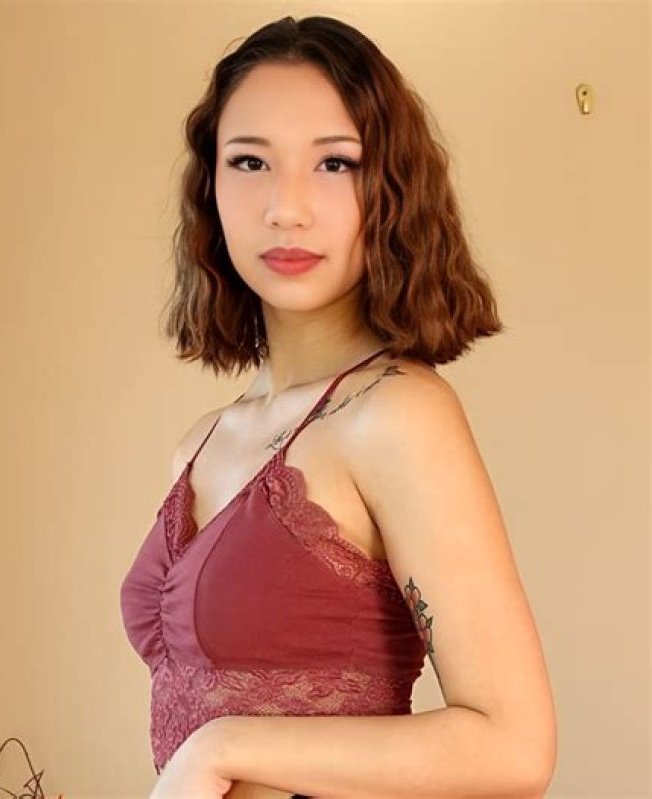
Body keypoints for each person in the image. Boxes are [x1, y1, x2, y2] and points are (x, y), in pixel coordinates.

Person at [120, 14, 557, 799]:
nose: (286, 208)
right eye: (249, 161)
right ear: (210, 186)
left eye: (334, 163)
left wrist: (221, 746)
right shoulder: (203, 441)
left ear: (389, 186)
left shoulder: (397, 414)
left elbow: (514, 747)